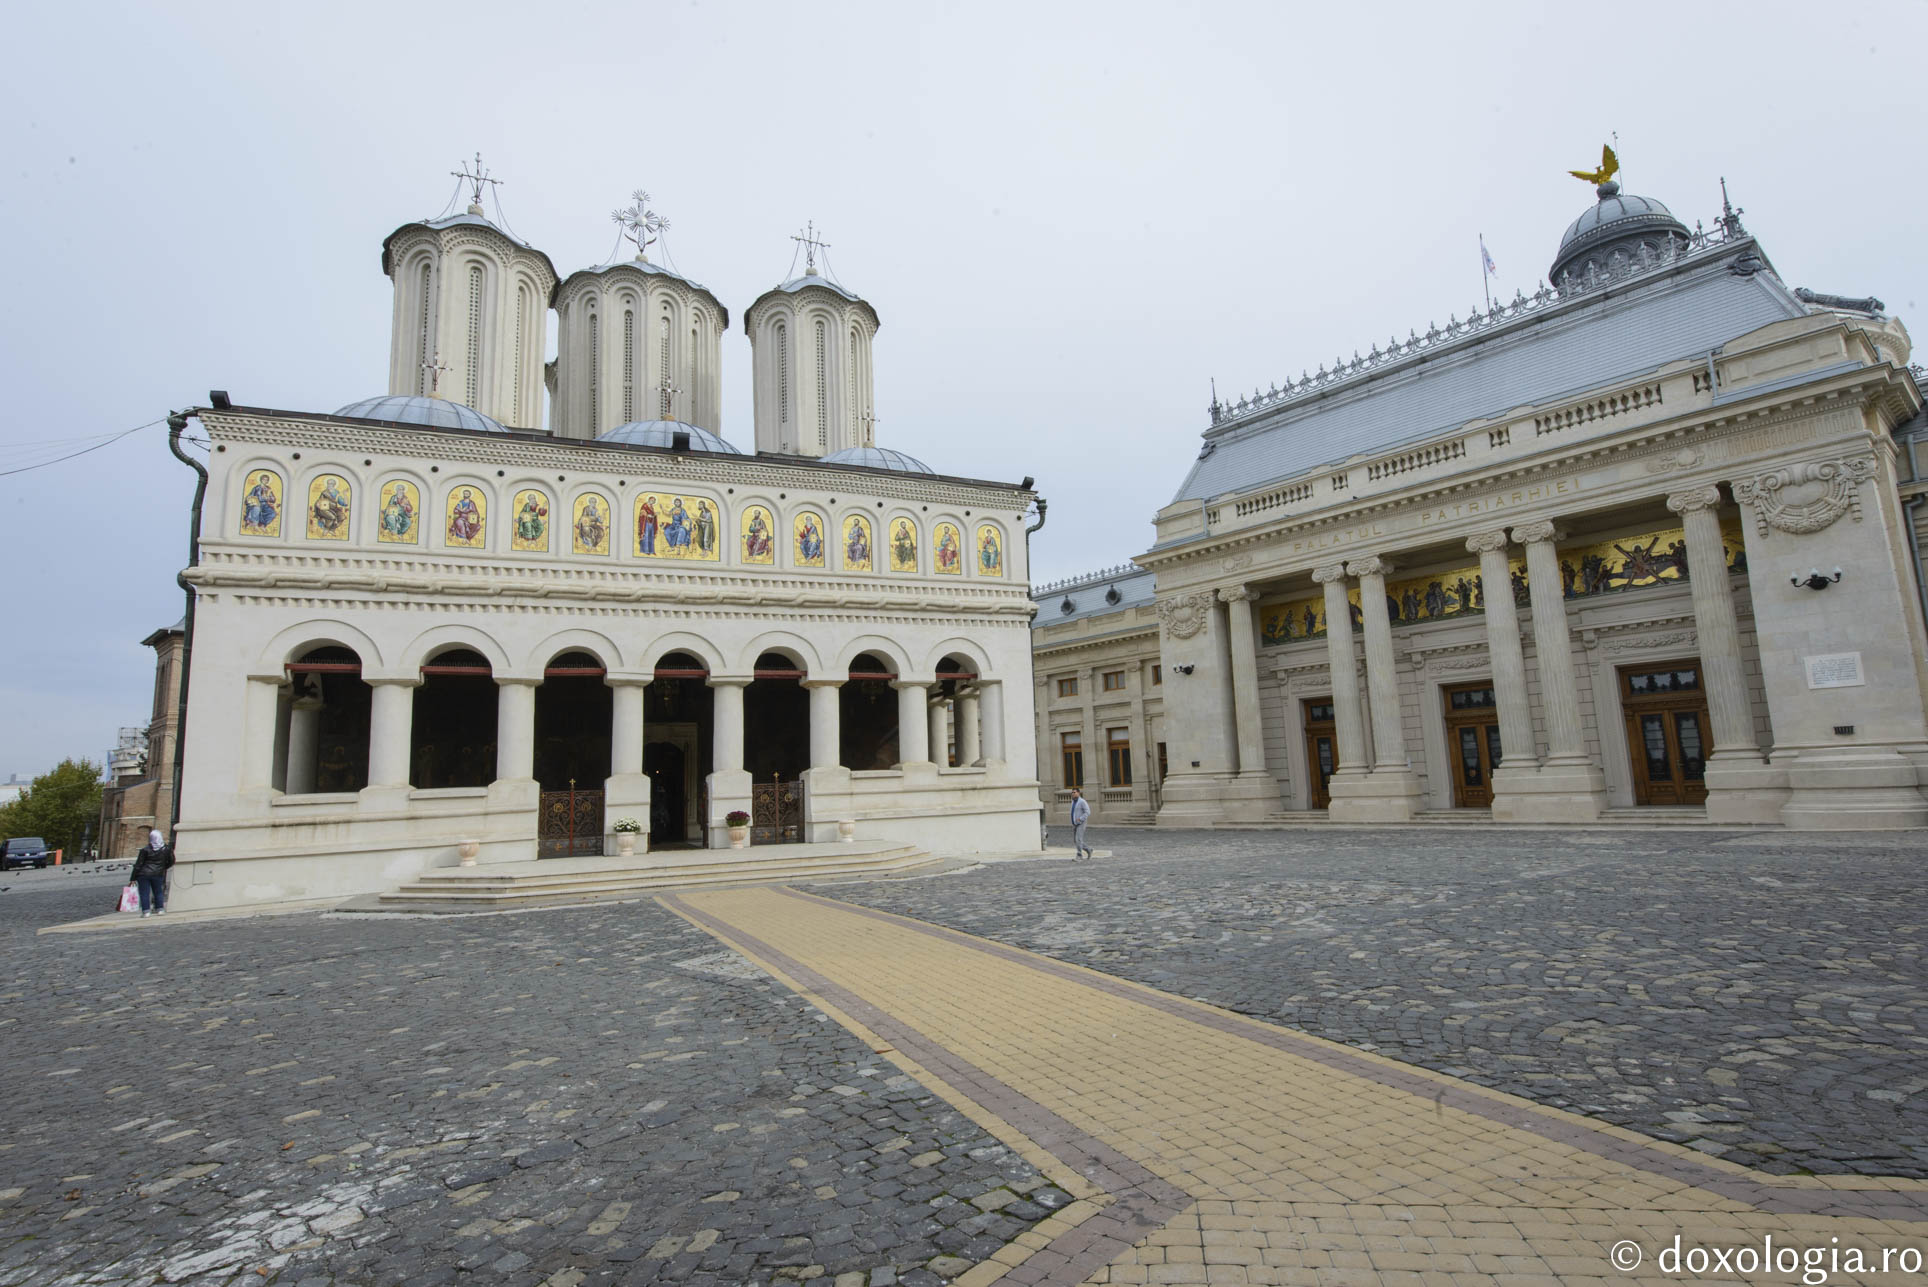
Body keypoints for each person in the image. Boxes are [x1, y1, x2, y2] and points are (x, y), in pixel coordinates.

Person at [131, 829, 175, 917]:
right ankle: (160, 909)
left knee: (144, 893)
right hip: (158, 873)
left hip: (143, 874)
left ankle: (146, 912)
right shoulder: (166, 849)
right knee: (158, 891)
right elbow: (172, 861)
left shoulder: (145, 850)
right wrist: (163, 867)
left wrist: (132, 878)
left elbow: (138, 864)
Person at [1068, 787, 1092, 860]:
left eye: (1074, 792)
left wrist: (1080, 819)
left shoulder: (1082, 801)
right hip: (1075, 823)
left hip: (1081, 823)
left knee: (1078, 839)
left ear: (1078, 793)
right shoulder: (1073, 801)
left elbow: (1088, 812)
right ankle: (1088, 849)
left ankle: (1079, 855)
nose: (1073, 794)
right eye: (1072, 792)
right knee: (1076, 840)